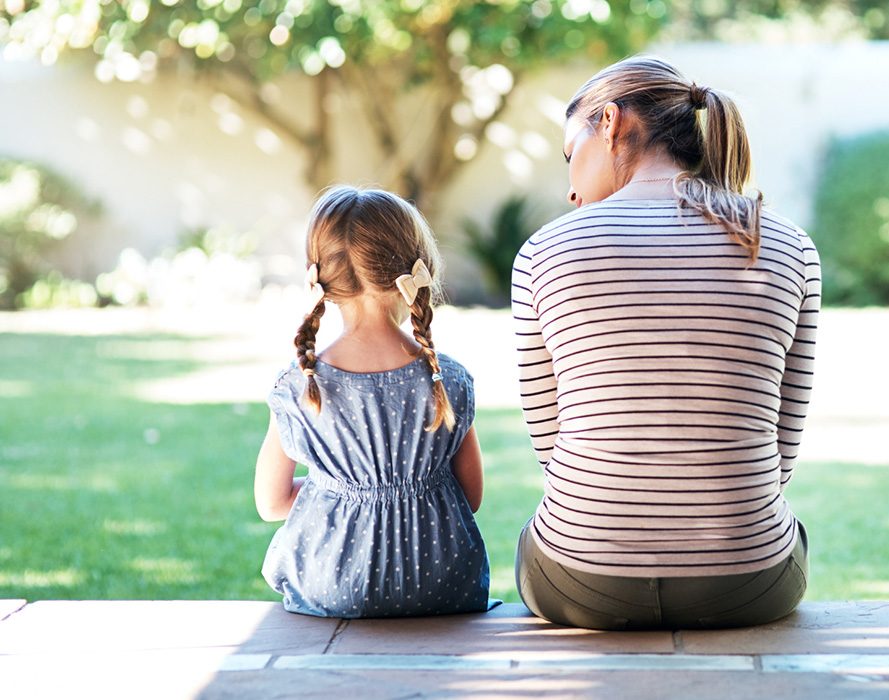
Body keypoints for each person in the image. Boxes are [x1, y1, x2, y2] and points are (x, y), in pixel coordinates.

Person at [510, 56, 821, 630]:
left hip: (581, 581)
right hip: (748, 582)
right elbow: (781, 449)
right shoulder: (787, 244)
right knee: (788, 531)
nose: (570, 187)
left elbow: (552, 447)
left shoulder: (543, 252)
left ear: (609, 123)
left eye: (568, 154)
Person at [255, 185, 494, 618]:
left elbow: (271, 504)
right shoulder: (449, 379)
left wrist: (341, 489)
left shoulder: (300, 384)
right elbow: (471, 495)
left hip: (332, 586)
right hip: (441, 585)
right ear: (416, 270)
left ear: (321, 280)